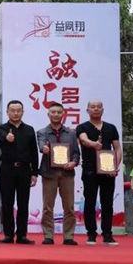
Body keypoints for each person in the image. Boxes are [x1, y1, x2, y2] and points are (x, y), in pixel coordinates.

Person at [76, 100, 122, 245]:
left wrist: (114, 166)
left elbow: (117, 148)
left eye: (98, 107)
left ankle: (107, 234)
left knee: (107, 202)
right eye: (92, 107)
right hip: (89, 169)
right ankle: (91, 234)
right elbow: (83, 139)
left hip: (107, 170)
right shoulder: (82, 127)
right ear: (87, 110)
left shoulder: (111, 128)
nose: (96, 109)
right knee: (90, 202)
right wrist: (93, 144)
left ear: (102, 110)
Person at [0, 100, 38, 245]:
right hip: (7, 169)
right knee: (7, 202)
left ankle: (22, 235)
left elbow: (34, 152)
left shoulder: (29, 129)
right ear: (7, 112)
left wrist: (34, 172)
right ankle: (8, 234)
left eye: (18, 110)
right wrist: (7, 137)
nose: (15, 113)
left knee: (23, 203)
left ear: (23, 112)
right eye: (12, 110)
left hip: (25, 170)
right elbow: (0, 135)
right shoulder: (1, 128)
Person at [37, 102, 80, 246]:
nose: (56, 115)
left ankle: (68, 236)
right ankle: (48, 236)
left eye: (59, 112)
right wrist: (44, 149)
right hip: (49, 173)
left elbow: (76, 153)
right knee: (47, 206)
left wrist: (74, 162)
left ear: (63, 114)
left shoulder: (71, 133)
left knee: (69, 206)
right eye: (53, 112)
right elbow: (41, 144)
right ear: (48, 114)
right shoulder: (42, 132)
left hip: (67, 173)